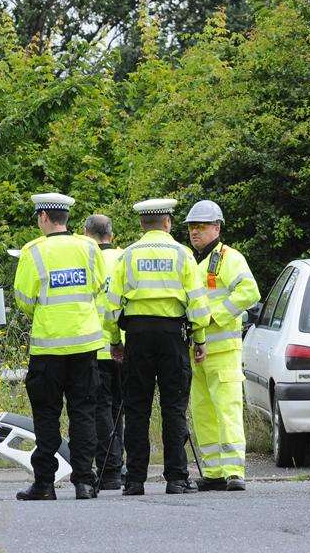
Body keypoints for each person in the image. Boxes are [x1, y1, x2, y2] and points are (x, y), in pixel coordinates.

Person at [106, 199, 209, 496]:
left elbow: (112, 305)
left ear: (142, 224)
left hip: (137, 337)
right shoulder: (183, 255)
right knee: (173, 408)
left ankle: (135, 480)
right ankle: (176, 478)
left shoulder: (127, 256)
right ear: (167, 223)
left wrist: (115, 340)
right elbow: (198, 303)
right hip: (172, 337)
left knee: (137, 408)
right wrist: (199, 338)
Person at [13, 193, 111, 501]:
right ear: (65, 218)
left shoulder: (33, 251)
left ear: (43, 217)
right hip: (84, 345)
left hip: (48, 348)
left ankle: (44, 482)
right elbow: (98, 286)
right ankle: (84, 481)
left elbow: (24, 299)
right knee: (83, 412)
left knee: (46, 414)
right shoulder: (89, 247)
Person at [185, 199, 260, 491]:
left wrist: (215, 316)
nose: (195, 232)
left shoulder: (229, 258)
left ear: (216, 227)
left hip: (223, 351)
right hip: (197, 350)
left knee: (226, 410)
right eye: (192, 227)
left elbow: (249, 291)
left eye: (201, 227)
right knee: (203, 412)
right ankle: (214, 472)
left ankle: (234, 471)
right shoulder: (194, 260)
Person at [83, 213, 125, 490]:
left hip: (95, 344)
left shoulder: (84, 258)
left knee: (100, 410)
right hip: (122, 344)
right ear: (111, 234)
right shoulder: (124, 257)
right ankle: (119, 467)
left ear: (87, 234)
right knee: (121, 410)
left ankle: (108, 469)